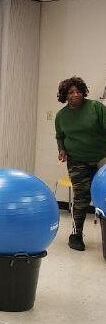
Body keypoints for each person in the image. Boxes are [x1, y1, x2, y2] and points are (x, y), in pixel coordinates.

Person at [54, 76, 106, 251]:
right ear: (65, 96)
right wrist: (61, 149)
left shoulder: (96, 108)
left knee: (105, 195)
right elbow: (60, 136)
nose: (75, 94)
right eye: (70, 92)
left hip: (101, 158)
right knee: (81, 197)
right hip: (77, 160)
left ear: (83, 92)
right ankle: (76, 235)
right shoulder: (61, 116)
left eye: (78, 91)